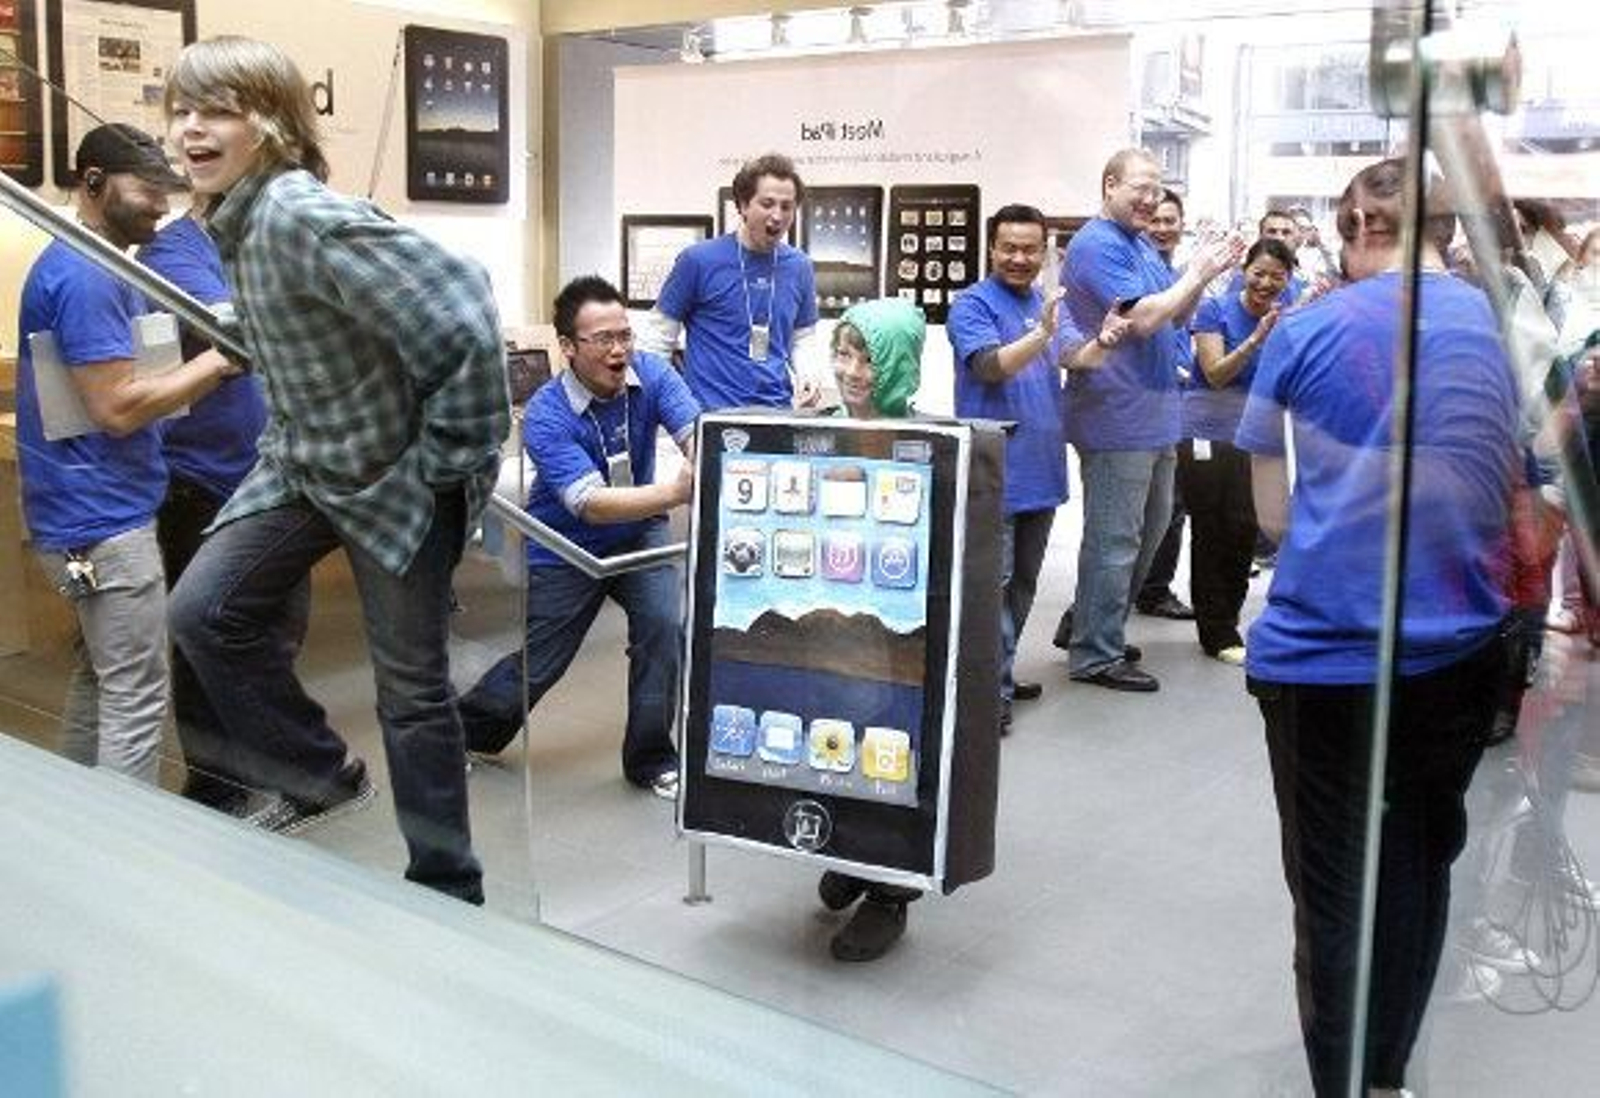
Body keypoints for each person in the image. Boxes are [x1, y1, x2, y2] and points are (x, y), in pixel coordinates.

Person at [164, 37, 510, 904]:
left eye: (217, 111)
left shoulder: (293, 213)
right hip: (305, 463)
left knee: (412, 693)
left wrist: (446, 463)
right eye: (180, 110)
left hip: (394, 480)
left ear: (272, 123)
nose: (190, 130)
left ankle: (448, 888)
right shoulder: (235, 218)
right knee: (203, 611)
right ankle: (321, 776)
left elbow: (464, 304)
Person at [1235, 158, 1521, 1095]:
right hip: (1460, 648)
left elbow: (1273, 517)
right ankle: (1388, 1069)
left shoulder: (1306, 331)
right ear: (1443, 230)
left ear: (1357, 226)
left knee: (1335, 893)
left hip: (1332, 659)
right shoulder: (1499, 326)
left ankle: (1349, 1080)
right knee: (1420, 865)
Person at [13, 123, 238, 785]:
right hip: (102, 520)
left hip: (89, 511)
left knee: (103, 677)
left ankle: (80, 821)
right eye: (147, 189)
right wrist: (222, 361)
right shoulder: (88, 275)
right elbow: (117, 408)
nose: (162, 207)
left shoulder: (100, 264)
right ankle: (125, 840)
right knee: (136, 699)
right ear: (92, 181)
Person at [455, 276, 696, 799]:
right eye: (603, 339)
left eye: (624, 335)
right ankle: (462, 732)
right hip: (567, 545)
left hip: (640, 535)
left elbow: (695, 430)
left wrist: (704, 453)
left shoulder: (653, 374)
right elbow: (591, 504)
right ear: (567, 346)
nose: (619, 350)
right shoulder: (546, 413)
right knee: (542, 662)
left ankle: (652, 759)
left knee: (664, 628)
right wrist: (677, 493)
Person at [1055, 147, 1241, 692]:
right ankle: (1095, 653)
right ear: (1109, 184)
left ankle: (1090, 623)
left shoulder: (1139, 244)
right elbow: (1142, 318)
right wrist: (1197, 272)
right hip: (1116, 416)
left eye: (1157, 189)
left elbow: (1175, 313)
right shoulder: (1096, 245)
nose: (1151, 199)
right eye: (1140, 187)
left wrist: (1203, 274)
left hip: (1156, 413)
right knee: (1115, 540)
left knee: (1148, 535)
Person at [136, 204, 275, 813]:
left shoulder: (258, 245)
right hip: (201, 480)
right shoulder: (174, 252)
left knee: (270, 633)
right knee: (202, 634)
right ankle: (216, 789)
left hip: (266, 477)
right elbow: (234, 324)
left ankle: (260, 763)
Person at [815, 296, 927, 962]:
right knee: (833, 742)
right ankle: (848, 853)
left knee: (890, 752)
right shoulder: (820, 427)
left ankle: (890, 891)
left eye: (868, 359)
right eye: (843, 353)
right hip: (831, 631)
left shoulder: (926, 444)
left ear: (898, 365)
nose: (851, 371)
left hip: (894, 638)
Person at [1182, 237, 1295, 664]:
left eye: (1277, 277)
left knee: (1244, 529)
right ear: (1244, 271)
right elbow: (1214, 374)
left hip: (1258, 437)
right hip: (1207, 434)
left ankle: (1228, 619)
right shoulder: (1215, 310)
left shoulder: (1286, 313)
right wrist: (1256, 339)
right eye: (1258, 273)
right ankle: (1216, 631)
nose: (1266, 283)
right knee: (1212, 531)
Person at [638, 153, 821, 411]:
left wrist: (808, 375)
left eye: (786, 206)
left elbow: (802, 337)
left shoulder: (799, 266)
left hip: (777, 413)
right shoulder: (698, 260)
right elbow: (657, 338)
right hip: (710, 417)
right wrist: (667, 406)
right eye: (767, 204)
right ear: (743, 205)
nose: (778, 216)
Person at [1133, 187, 1196, 622]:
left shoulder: (1178, 276)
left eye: (1169, 220)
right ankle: (1104, 609)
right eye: (1153, 219)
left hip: (1178, 404)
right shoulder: (1137, 275)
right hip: (1141, 408)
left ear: (1181, 225)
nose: (1161, 228)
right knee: (1133, 516)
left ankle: (1153, 588)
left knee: (1171, 508)